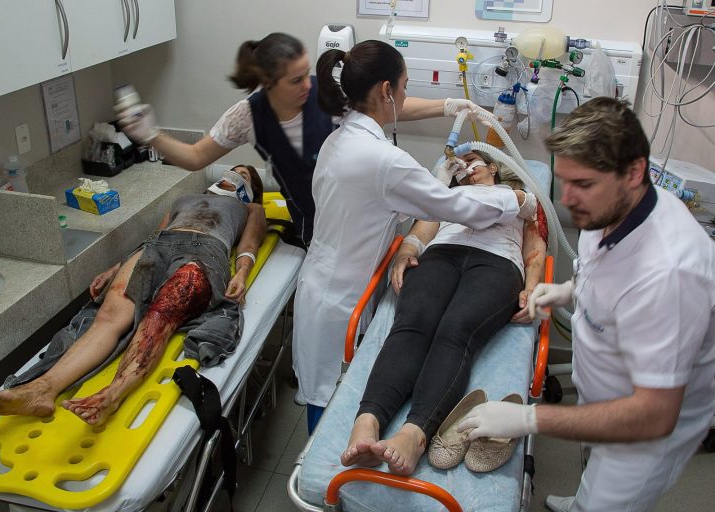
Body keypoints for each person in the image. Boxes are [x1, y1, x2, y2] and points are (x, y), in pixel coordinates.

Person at [455, 97, 715, 512]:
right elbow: (603, 270)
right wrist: (569, 291)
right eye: (565, 181)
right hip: (606, 391)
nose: (569, 199)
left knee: (607, 499)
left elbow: (653, 415)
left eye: (584, 184)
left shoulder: (671, 275)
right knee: (592, 472)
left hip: (642, 434)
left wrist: (528, 419)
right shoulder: (608, 210)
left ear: (634, 173)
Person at [293, 39, 530, 434]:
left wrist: (449, 106)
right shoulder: (384, 160)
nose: (405, 96)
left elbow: (398, 179)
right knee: (329, 406)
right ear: (386, 90)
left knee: (335, 394)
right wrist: (517, 200)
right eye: (404, 86)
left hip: (326, 280)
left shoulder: (341, 136)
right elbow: (455, 207)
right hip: (342, 295)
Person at [117, 32, 484, 246]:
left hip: (359, 213)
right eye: (295, 80)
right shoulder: (248, 116)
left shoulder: (321, 93)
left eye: (306, 73)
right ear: (268, 84)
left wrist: (448, 106)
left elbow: (387, 106)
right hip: (315, 224)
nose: (306, 85)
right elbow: (196, 157)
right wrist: (151, 136)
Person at [0, 166, 267, 426]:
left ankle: (113, 395)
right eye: (231, 170)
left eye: (242, 175)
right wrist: (115, 268)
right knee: (108, 317)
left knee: (159, 317)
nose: (233, 175)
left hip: (205, 252)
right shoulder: (185, 199)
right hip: (157, 248)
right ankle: (42, 389)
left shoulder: (250, 207)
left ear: (251, 189)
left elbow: (249, 245)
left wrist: (241, 273)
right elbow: (153, 236)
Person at [340, 150, 546, 475]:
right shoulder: (446, 196)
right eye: (461, 167)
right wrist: (406, 252)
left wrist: (532, 287)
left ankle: (414, 434)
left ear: (493, 167)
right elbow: (421, 232)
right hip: (441, 254)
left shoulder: (516, 198)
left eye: (473, 161)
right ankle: (367, 422)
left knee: (455, 330)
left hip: (498, 262)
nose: (467, 169)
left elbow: (535, 246)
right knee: (412, 323)